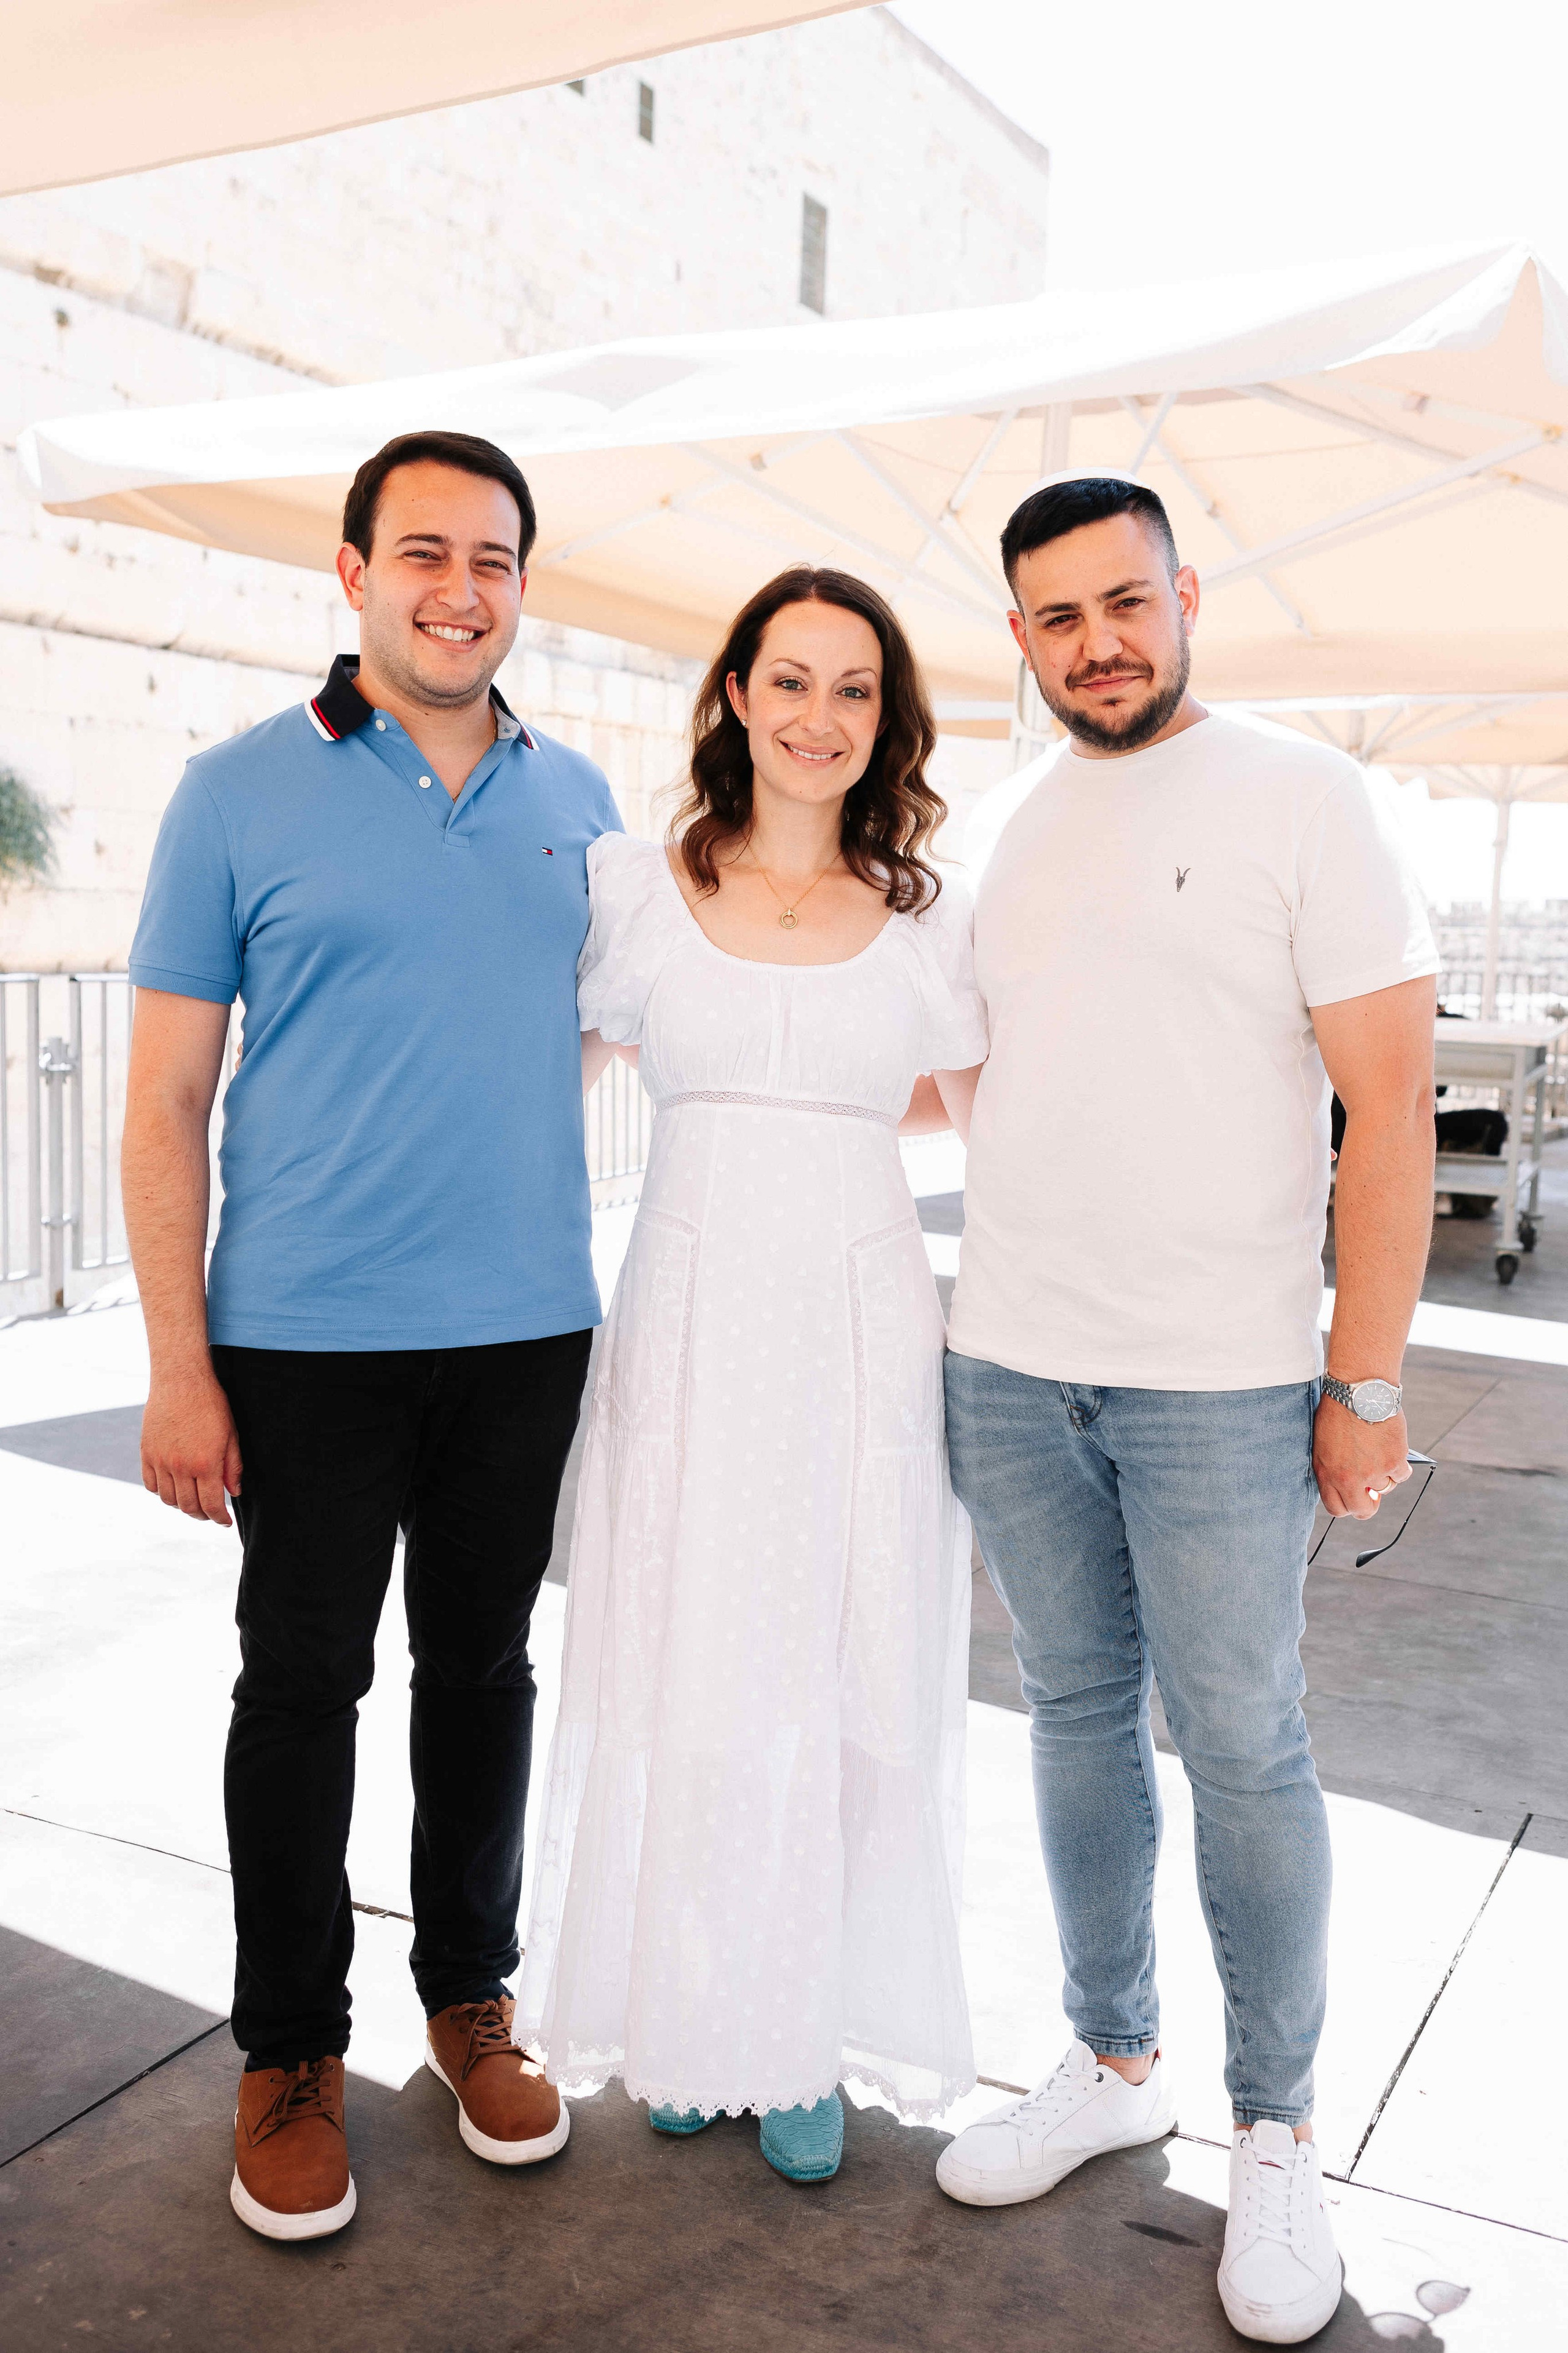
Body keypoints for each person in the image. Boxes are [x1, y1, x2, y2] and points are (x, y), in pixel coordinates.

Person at [935, 477, 1438, 2344]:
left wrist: (1363, 1377)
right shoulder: (1002, 825)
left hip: (1224, 1381)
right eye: (1059, 617)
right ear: (1021, 638)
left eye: (1126, 601)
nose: (1099, 642)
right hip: (1009, 1359)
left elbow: (1392, 1105)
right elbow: (965, 1074)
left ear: (1188, 593)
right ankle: (1114, 2055)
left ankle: (1278, 2130)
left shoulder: (1306, 796)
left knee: (1243, 1741)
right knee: (1076, 1716)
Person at [122, 431, 622, 2240]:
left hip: (524, 1332)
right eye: (424, 551)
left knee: (482, 1679)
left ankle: (469, 1998)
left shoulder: (584, 800)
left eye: (493, 559)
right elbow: (164, 1101)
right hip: (304, 1338)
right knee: (301, 1690)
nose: (459, 590)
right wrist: (179, 1363)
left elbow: (612, 1036)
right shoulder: (233, 792)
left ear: (520, 585)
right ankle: (288, 2051)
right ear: (352, 573)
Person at [518, 566, 985, 2181]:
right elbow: (538, 1092)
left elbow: (995, 1128)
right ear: (734, 693)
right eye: (790, 679)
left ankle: (801, 2036)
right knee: (690, 1663)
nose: (818, 716)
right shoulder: (638, 890)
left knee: (843, 1671)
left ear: (887, 720)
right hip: (690, 1313)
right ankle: (692, 2015)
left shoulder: (931, 918)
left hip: (859, 1326)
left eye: (855, 689)